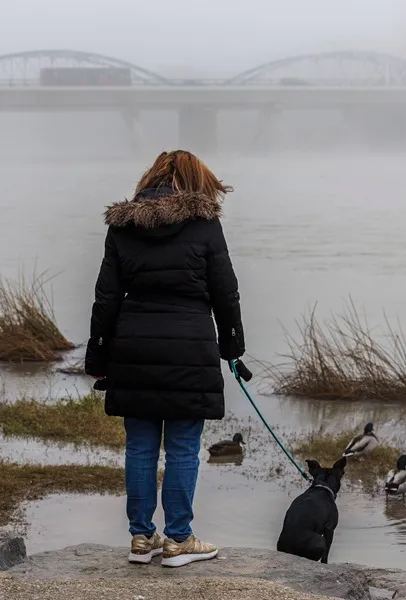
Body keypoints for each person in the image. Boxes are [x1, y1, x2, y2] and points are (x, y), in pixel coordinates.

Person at [84, 150, 245, 568]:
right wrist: (232, 347)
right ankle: (177, 540)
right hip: (189, 348)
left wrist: (98, 354)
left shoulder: (123, 226)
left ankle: (141, 539)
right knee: (183, 448)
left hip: (133, 347)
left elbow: (106, 297)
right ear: (196, 182)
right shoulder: (205, 226)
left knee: (139, 448)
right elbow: (225, 292)